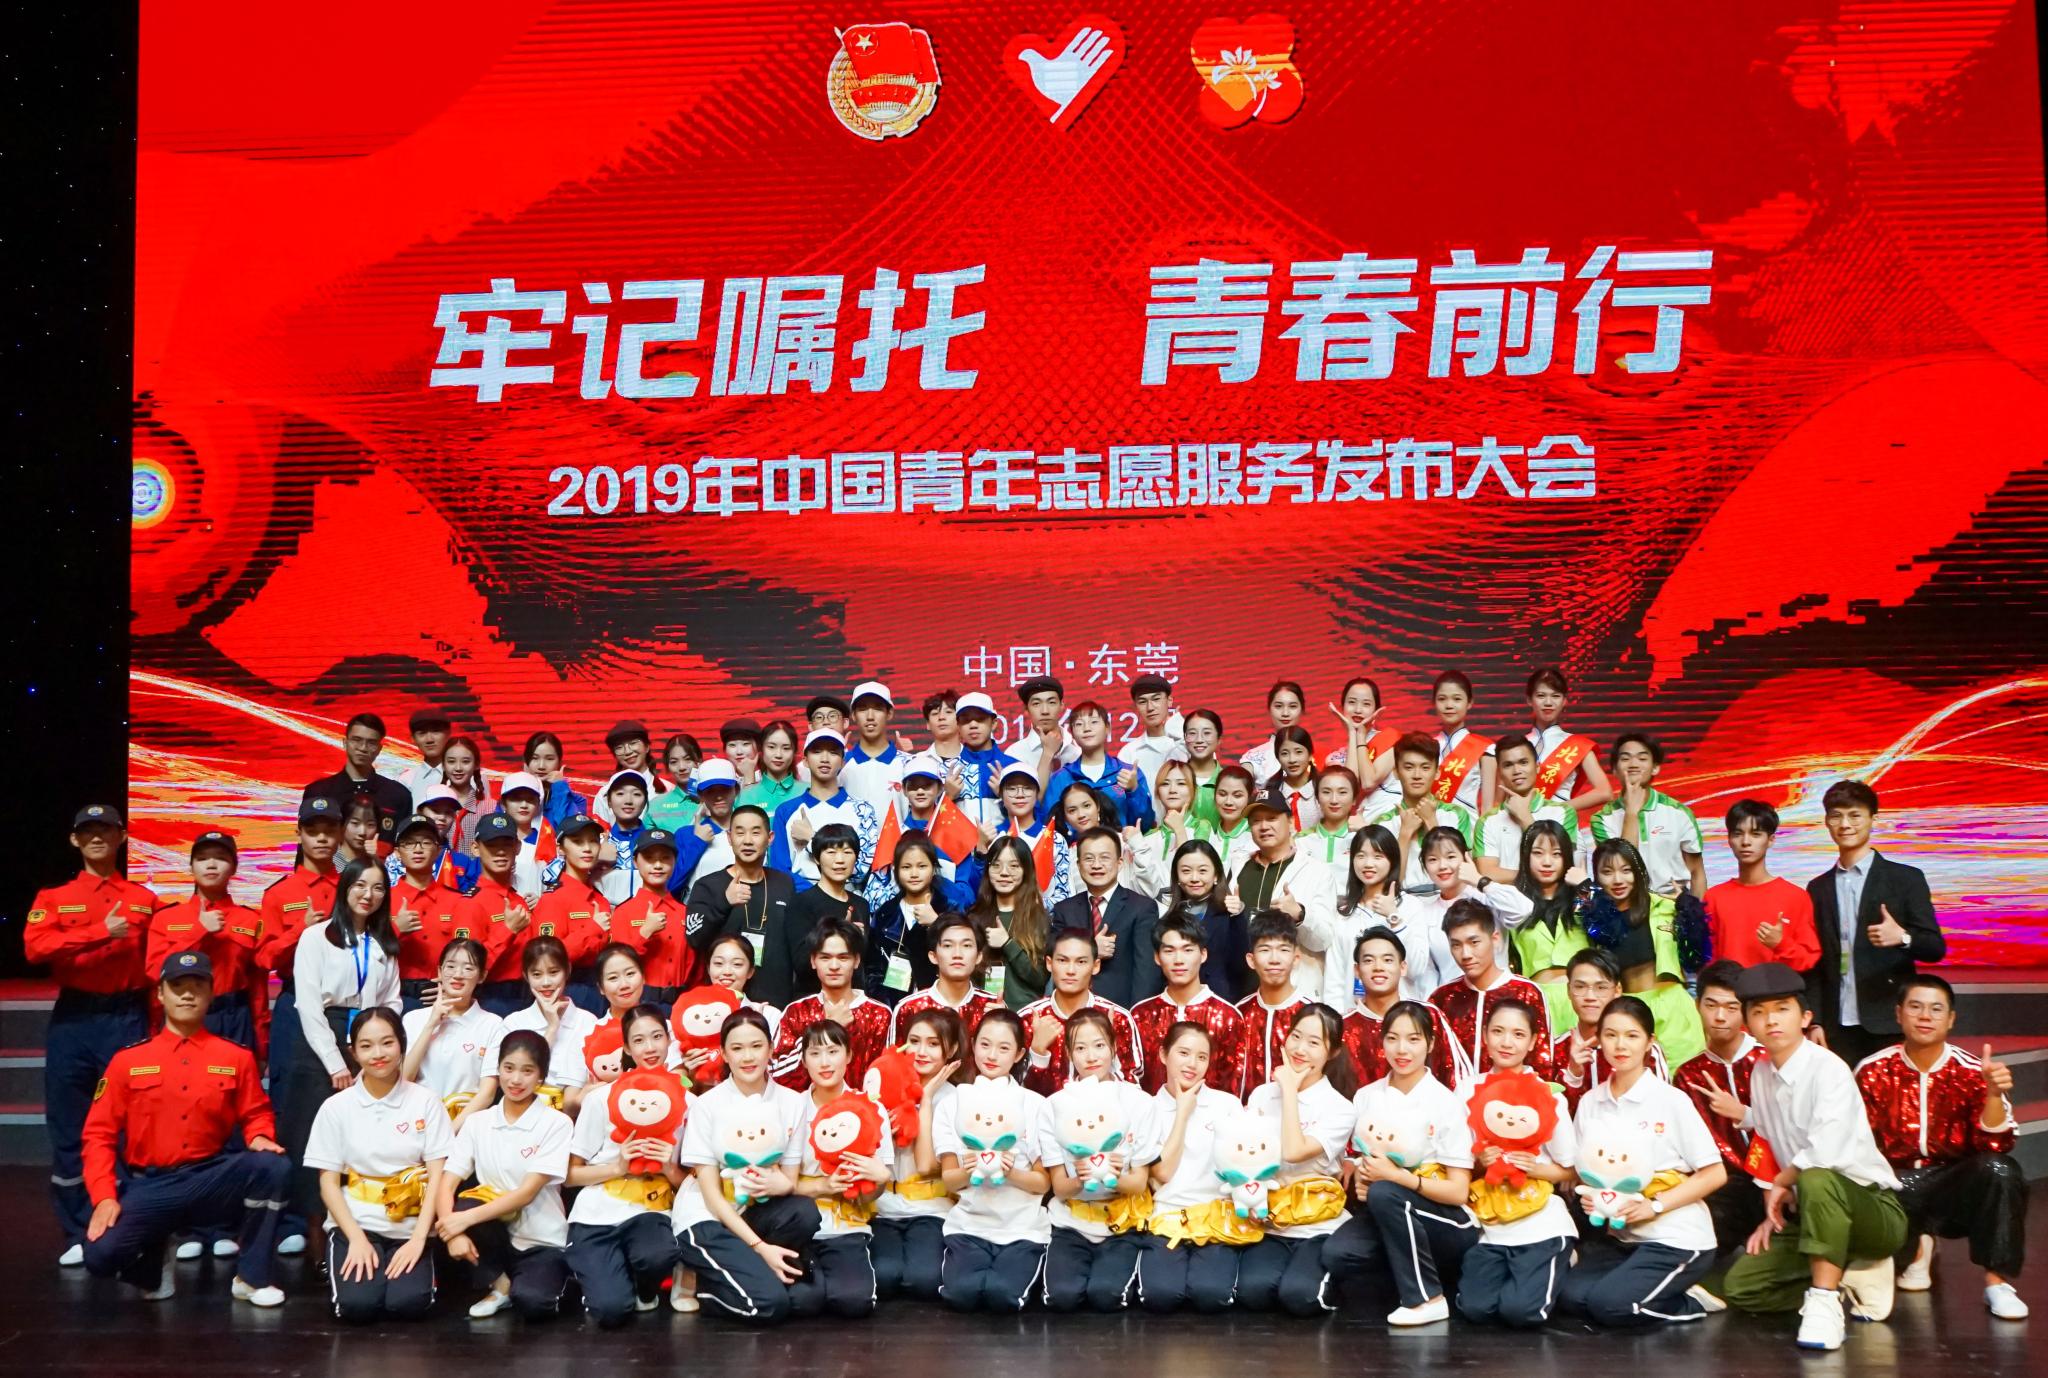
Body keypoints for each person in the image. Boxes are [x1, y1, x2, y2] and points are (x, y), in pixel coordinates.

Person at [79, 951, 290, 1306]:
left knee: (274, 1167)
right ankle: (152, 1265)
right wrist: (104, 1197)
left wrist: (259, 1136)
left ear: (211, 993)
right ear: (160, 994)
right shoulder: (128, 1061)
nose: (188, 994)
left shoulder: (235, 1058)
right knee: (100, 1255)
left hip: (210, 1179)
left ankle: (251, 1278)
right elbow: (98, 1134)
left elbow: (256, 1112)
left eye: (197, 986)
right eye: (178, 986)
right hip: (151, 1185)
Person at [1717, 962, 1910, 1352]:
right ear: (1748, 1025)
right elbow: (1769, 1139)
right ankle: (1848, 1277)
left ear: (1805, 1018)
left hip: (1872, 1208)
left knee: (1817, 1177)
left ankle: (1824, 1301)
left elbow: (1823, 1154)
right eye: (1759, 1012)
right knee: (1743, 1288)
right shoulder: (1761, 1074)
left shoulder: (1829, 1070)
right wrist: (1772, 1209)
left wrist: (1783, 1181)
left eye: (1782, 1009)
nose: (1771, 1020)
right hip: (1812, 1210)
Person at [25, 803, 155, 1264]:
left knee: (133, 1124)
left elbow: (157, 961)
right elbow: (35, 948)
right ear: (74, 840)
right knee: (70, 1123)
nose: (97, 837)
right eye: (88, 831)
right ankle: (80, 1229)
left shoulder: (144, 899)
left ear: (122, 838)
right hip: (75, 1019)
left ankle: (132, 1223)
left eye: (106, 830)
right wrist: (100, 931)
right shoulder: (54, 897)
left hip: (128, 1016)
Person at [1855, 974, 2027, 1319]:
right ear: (1898, 1014)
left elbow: (1996, 1144)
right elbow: (1856, 1143)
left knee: (2000, 1170)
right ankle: (1917, 1248)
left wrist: (1994, 1095)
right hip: (1894, 1185)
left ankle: (1997, 1284)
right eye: (1915, 1007)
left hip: (1952, 1186)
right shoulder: (1872, 1070)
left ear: (1951, 1019)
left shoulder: (1973, 1071)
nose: (1925, 1016)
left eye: (1936, 1009)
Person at [1558, 996, 1729, 1328]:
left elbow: (1714, 1173)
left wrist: (1655, 1206)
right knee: (1570, 1298)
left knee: (1611, 1308)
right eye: (1611, 1035)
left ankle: (1689, 1301)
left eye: (1632, 1035)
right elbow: (1587, 1173)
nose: (1620, 1045)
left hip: (1675, 1238)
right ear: (1599, 1040)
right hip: (1624, 1239)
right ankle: (1656, 1289)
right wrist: (1593, 1199)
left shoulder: (1670, 1101)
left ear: (1650, 1042)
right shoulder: (1592, 1102)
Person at [1321, 1000, 1478, 1326]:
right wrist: (1363, 1177)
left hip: (1446, 1220)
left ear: (1430, 1044)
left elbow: (1458, 1192)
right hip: (1388, 1211)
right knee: (1338, 1253)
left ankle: (1427, 1298)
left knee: (1386, 1194)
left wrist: (1396, 1179)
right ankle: (1414, 1278)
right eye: (1392, 1038)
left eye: (1413, 1039)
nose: (1402, 1049)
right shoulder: (1367, 1096)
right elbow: (1363, 1162)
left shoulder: (1445, 1102)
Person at [304, 1008, 453, 1322]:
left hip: (410, 1226)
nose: (378, 1054)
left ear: (401, 1044)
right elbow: (328, 1184)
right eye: (366, 1046)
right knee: (358, 1307)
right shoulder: (336, 1107)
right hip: (357, 1223)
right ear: (353, 1052)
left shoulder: (426, 1102)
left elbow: (438, 1177)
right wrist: (356, 1238)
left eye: (387, 1042)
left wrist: (419, 1239)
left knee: (408, 1304)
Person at [281, 860, 403, 1241]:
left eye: (378, 887)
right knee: (312, 1135)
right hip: (322, 1039)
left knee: (361, 1134)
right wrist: (336, 1062)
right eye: (360, 885)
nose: (369, 895)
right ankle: (312, 1235)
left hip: (368, 1036)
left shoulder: (383, 943)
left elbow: (393, 1000)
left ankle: (354, 1228)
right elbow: (308, 1005)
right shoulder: (315, 937)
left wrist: (378, 1047)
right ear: (345, 887)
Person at [435, 1029, 575, 1320]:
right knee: (464, 1203)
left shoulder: (556, 1123)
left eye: (527, 1071)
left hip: (540, 1240)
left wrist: (463, 1221)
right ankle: (500, 1285)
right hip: (494, 1235)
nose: (515, 1080)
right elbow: (447, 1182)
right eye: (508, 1068)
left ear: (541, 1076)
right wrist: (452, 1232)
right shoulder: (477, 1122)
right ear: (497, 1069)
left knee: (533, 1303)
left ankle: (532, 1284)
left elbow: (526, 1193)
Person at [1453, 1005, 1577, 1329]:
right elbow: (1455, 1164)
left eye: (1518, 1034)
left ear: (1533, 1041)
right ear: (1485, 1035)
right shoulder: (1466, 1090)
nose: (1506, 1042)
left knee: (1521, 1313)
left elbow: (1571, 1169)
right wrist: (1480, 1163)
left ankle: (1560, 1257)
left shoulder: (1548, 1094)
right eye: (1498, 1031)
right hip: (1490, 1221)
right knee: (1475, 1309)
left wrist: (1533, 1168)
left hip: (1540, 1221)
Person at [1806, 779, 1946, 1065]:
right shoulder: (1818, 887)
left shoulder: (1905, 879)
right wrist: (1816, 1020)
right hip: (1835, 1025)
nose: (1845, 824)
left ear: (1873, 819)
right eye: (1836, 816)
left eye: (1855, 815)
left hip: (1888, 1021)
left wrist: (1903, 937)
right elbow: (1817, 961)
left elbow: (1935, 948)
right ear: (1827, 822)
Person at [564, 1005, 688, 1325]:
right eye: (639, 1040)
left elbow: (694, 1182)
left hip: (652, 1208)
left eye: (657, 1037)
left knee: (656, 1254)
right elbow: (570, 1175)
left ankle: (645, 1287)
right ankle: (603, 1279)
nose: (650, 1048)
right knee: (611, 1310)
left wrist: (668, 1169)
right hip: (596, 1210)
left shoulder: (689, 1102)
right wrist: (618, 1167)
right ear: (627, 1048)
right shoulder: (600, 1099)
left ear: (669, 1040)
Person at [1038, 1008, 1161, 1311]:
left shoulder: (1139, 1103)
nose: (1091, 1056)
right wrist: (1082, 1176)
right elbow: (1059, 1187)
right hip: (1071, 1220)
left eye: (1099, 1045)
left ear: (1114, 1047)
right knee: (1062, 1297)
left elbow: (1138, 1184)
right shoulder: (1054, 1106)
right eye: (1080, 1048)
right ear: (1069, 1054)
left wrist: (1110, 1174)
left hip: (1121, 1222)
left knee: (1106, 1296)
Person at [1238, 1005, 1357, 1315]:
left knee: (1300, 1297)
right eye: (1296, 1036)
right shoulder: (1262, 1095)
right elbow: (1245, 1158)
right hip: (1270, 1224)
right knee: (1253, 1294)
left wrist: (1289, 1090)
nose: (1300, 1049)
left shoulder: (1340, 1108)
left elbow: (1293, 1151)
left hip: (1317, 1227)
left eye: (1314, 1042)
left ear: (1333, 1052)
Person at [936, 1008, 1053, 1311]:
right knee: (961, 1296)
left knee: (1003, 1297)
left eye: (1003, 1048)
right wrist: (972, 1168)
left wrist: (1009, 1170)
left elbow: (1042, 1183)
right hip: (969, 1226)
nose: (991, 1055)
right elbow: (950, 1180)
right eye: (985, 1044)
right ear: (973, 1044)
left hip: (1022, 1229)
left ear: (1019, 1054)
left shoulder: (1035, 1105)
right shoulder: (951, 1104)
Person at [1137, 1021, 1251, 1311]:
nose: (1192, 1064)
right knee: (1160, 1297)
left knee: (1210, 1296)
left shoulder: (1227, 1105)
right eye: (1184, 1053)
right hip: (1166, 1220)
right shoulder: (1147, 1107)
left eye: (1202, 1057)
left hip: (1216, 1219)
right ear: (1163, 1054)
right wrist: (1182, 1113)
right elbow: (1163, 1173)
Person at [787, 1020, 893, 1317]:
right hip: (799, 1224)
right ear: (803, 1060)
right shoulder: (792, 1108)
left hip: (847, 1223)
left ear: (849, 1056)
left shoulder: (871, 1109)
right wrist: (823, 1186)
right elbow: (781, 1182)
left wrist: (880, 1180)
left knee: (853, 1302)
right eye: (815, 1053)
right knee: (802, 1303)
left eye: (833, 1051)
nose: (824, 1062)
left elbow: (872, 1192)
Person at [1583, 837, 1709, 1066]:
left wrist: (1690, 912)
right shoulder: (1596, 922)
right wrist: (1583, 888)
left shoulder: (1666, 907)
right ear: (1597, 878)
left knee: (1686, 1078)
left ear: (1638, 871)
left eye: (1626, 870)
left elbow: (1696, 958)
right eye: (1607, 872)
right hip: (1628, 1012)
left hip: (1672, 1006)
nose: (1618, 880)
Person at [1674, 959, 1768, 1250]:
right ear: (1697, 1005)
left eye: (1731, 1007)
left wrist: (1745, 1115)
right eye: (1711, 1005)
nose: (1719, 1016)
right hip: (1723, 1185)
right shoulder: (1688, 1074)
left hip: (1778, 1178)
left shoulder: (1767, 1060)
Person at [872, 1007, 964, 1300]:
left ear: (951, 1050)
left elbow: (929, 1166)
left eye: (933, 1044)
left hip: (931, 1208)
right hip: (884, 1207)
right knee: (884, 1278)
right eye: (914, 1041)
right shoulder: (883, 1087)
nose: (921, 1051)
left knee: (923, 1281)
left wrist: (925, 1101)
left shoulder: (957, 1099)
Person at [145, 830, 263, 1054]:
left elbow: (258, 988)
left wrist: (262, 1043)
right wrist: (199, 931)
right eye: (201, 859)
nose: (211, 865)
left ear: (234, 868)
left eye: (221, 858)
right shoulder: (166, 917)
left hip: (234, 1018)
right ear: (191, 867)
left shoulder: (250, 919)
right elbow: (154, 971)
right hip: (181, 1015)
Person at [1394, 826, 1533, 1002]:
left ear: (1466, 857)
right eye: (1433, 859)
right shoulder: (1425, 914)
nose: (1442, 866)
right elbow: (1428, 974)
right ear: (1425, 867)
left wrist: (1479, 880)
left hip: (1500, 999)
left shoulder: (1487, 896)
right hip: (1453, 1004)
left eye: (1451, 857)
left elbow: (1523, 909)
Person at [683, 804, 798, 1001]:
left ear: (770, 838)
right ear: (729, 838)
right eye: (740, 832)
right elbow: (694, 938)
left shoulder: (784, 883)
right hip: (723, 999)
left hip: (776, 997)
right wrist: (724, 902)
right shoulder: (708, 885)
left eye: (756, 832)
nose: (747, 841)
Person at [1430, 899, 1553, 1079]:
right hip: (1456, 1096)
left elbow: (1542, 1063)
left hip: (1514, 1095)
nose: (1465, 954)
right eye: (1456, 945)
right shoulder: (1442, 998)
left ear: (1495, 939)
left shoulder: (1527, 992)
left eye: (1474, 942)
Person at [1230, 799, 1339, 1001]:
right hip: (1241, 987)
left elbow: (1324, 940)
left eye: (1271, 818)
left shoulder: (1316, 871)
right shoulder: (1239, 865)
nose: (1263, 826)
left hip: (1294, 989)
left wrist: (1300, 915)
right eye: (1256, 821)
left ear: (1290, 822)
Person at [769, 919, 892, 1092]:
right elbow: (775, 1075)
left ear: (856, 961)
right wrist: (828, 1027)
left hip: (862, 1107)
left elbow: (888, 1075)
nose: (834, 966)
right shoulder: (796, 1011)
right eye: (825, 958)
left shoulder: (880, 1014)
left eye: (843, 957)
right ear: (813, 961)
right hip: (806, 1107)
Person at [1019, 929, 1145, 1094]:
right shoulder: (1028, 1018)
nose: (1071, 970)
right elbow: (1015, 1090)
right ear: (1049, 963)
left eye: (1081, 962)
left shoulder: (1117, 1017)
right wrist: (1038, 1051)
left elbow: (1132, 1087)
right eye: (1062, 960)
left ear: (1095, 966)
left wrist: (1108, 1050)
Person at [1131, 917, 1246, 1093]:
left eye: (1188, 950)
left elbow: (1234, 1087)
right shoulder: (1140, 1015)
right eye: (1169, 951)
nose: (1178, 960)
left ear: (1203, 955)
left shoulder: (1228, 1016)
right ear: (1157, 957)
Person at [1051, 827, 1162, 1008]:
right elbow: (1054, 960)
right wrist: (1092, 949)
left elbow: (1146, 972)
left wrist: (1135, 1015)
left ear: (1119, 863)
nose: (1096, 865)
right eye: (1089, 858)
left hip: (1120, 1010)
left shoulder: (1141, 908)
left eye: (1104, 857)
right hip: (1072, 1010)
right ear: (1078, 865)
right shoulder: (1064, 909)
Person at [402, 937, 506, 1128]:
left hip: (466, 1126)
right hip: (419, 1121)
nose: (458, 975)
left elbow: (487, 1093)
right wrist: (431, 1025)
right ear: (439, 971)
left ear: (482, 976)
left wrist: (451, 1131)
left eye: (468, 968)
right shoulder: (413, 1019)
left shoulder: (493, 1024)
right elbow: (404, 1079)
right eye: (450, 967)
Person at [1339, 927, 1464, 1087]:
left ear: (1403, 967)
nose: (1378, 967)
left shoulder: (1428, 1015)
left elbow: (1457, 1080)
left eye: (1387, 960)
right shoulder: (1342, 1027)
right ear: (1357, 970)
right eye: (1369, 960)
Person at [1706, 799, 1821, 972]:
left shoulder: (1796, 897)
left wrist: (1781, 944)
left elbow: (1808, 959)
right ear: (1729, 839)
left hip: (1776, 988)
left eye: (1755, 834)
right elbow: (1707, 962)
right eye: (1737, 834)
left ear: (1771, 840)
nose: (1746, 841)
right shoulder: (1714, 897)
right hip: (1728, 988)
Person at [1588, 733, 1706, 899]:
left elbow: (1697, 873)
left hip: (1673, 904)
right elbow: (1622, 865)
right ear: (1614, 769)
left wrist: (1695, 911)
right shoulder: (1602, 819)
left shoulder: (1678, 812)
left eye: (1642, 759)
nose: (1633, 764)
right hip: (1626, 904)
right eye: (1625, 758)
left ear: (1655, 767)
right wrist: (1631, 813)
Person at [1552, 948, 1668, 1111]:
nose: (1590, 997)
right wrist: (1573, 1074)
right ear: (1568, 991)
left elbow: (1662, 1109)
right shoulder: (1555, 1050)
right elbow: (1551, 1116)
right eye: (1580, 987)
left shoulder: (1644, 1050)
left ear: (1617, 990)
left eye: (1601, 987)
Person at [1359, 732, 1478, 889]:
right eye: (1409, 768)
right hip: (1401, 899)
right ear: (1396, 772)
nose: (1417, 775)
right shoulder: (1383, 823)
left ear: (1437, 773)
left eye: (1425, 768)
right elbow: (1387, 885)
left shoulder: (1456, 814)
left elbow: (1463, 873)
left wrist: (1431, 821)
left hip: (1448, 899)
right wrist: (1405, 834)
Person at [766, 728, 882, 888]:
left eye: (833, 752)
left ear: (843, 762)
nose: (825, 759)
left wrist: (812, 839)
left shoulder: (863, 810)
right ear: (805, 760)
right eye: (817, 751)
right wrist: (816, 895)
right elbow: (780, 871)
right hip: (800, 897)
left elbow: (862, 870)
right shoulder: (786, 810)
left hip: (847, 896)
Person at [496, 937, 600, 1107]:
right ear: (526, 976)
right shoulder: (513, 1023)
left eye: (553, 972)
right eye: (536, 974)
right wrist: (552, 1028)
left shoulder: (588, 1022)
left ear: (567, 970)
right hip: (524, 1109)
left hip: (575, 1110)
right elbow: (514, 1077)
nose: (546, 983)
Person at [1505, 819, 1587, 1032]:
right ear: (1525, 857)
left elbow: (1611, 926)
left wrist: (1587, 886)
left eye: (1556, 854)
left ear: (1567, 857)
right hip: (1536, 1001)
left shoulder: (1582, 900)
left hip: (1585, 999)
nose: (1547, 862)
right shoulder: (1514, 905)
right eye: (1538, 853)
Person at [874, 833, 976, 1001]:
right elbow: (874, 971)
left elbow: (964, 958)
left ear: (933, 868)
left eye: (922, 866)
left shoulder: (951, 908)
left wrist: (937, 923)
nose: (914, 874)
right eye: (906, 867)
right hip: (896, 1005)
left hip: (942, 1004)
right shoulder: (885, 914)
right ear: (896, 870)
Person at [532, 811, 613, 1014]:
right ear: (561, 848)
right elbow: (547, 957)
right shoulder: (553, 898)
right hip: (570, 988)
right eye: (577, 842)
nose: (587, 848)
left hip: (602, 986)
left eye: (593, 841)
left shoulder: (599, 897)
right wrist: (592, 929)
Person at [779, 823, 872, 998]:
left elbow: (863, 963)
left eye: (847, 852)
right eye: (831, 852)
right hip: (814, 1001)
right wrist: (842, 933)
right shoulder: (802, 902)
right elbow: (801, 964)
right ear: (816, 858)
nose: (840, 860)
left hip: (853, 999)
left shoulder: (861, 905)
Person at [387, 812, 469, 1009]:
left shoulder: (458, 901)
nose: (418, 849)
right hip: (394, 996)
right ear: (397, 852)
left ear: (438, 850)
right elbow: (368, 952)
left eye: (426, 842)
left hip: (445, 996)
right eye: (409, 843)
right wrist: (395, 929)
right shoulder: (383, 900)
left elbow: (468, 953)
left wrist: (450, 984)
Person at [1475, 733, 1583, 883]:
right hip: (1504, 898)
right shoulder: (1487, 820)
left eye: (1523, 762)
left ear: (1537, 767)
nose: (1517, 770)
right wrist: (1537, 876)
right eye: (1508, 765)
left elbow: (1562, 867)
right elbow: (1488, 873)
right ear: (1499, 773)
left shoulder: (1563, 812)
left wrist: (1525, 817)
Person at [965, 834, 1053, 1009]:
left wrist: (1007, 944)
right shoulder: (974, 916)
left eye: (1014, 866)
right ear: (987, 870)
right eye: (996, 865)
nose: (1004, 872)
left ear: (1026, 870)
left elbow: (1040, 978)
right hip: (984, 1012)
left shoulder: (1038, 917)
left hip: (1024, 1014)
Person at [302, 712, 413, 848]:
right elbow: (305, 846)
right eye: (357, 740)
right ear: (345, 743)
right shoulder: (318, 792)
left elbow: (404, 849)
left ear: (379, 749)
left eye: (371, 743)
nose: (363, 748)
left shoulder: (398, 795)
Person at [1157, 836, 1248, 998]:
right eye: (1186, 871)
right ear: (1177, 877)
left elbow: (1242, 965)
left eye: (1203, 871)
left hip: (1219, 1001)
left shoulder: (1230, 913)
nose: (1194, 878)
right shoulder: (1167, 916)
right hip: (1176, 1000)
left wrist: (1238, 916)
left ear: (1216, 875)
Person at [1510, 667, 1612, 813]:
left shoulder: (1578, 745)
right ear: (1529, 700)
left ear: (1564, 701)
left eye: (1556, 696)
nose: (1548, 702)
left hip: (1559, 821)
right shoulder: (1515, 746)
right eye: (1541, 696)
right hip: (1521, 820)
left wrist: (1557, 809)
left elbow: (1604, 792)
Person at [608, 827, 692, 1003]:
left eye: (665, 858)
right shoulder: (623, 912)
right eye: (649, 858)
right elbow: (617, 965)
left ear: (675, 861)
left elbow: (694, 966)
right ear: (635, 862)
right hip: (640, 1002)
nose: (658, 865)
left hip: (681, 1002)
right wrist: (644, 932)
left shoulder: (684, 912)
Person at [1044, 700, 1156, 831]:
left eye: (1094, 722)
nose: (1087, 728)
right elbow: (1051, 827)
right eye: (1079, 724)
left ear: (1107, 728)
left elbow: (1145, 824)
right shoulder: (1060, 778)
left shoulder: (1128, 773)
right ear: (1072, 733)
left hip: (1123, 843)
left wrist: (1134, 790)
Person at [890, 914, 1001, 1044]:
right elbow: (893, 1056)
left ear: (978, 956)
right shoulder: (909, 1008)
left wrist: (1003, 1021)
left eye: (966, 945)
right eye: (948, 946)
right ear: (933, 956)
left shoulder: (993, 1006)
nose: (957, 954)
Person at [1236, 911, 1310, 1097]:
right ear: (1251, 960)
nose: (1274, 959)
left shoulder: (1311, 1014)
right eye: (1265, 950)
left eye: (1283, 950)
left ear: (1296, 958)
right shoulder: (1238, 1014)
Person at [1325, 675, 1398, 805]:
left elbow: (1368, 783)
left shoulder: (1390, 737)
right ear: (1342, 707)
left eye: (1366, 704)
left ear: (1376, 710)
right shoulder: (1334, 758)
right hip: (1356, 817)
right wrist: (1353, 734)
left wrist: (1360, 736)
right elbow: (1350, 790)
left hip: (1388, 814)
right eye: (1352, 702)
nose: (1358, 710)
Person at [948, 692, 1016, 830]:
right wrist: (948, 797)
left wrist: (1005, 796)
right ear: (958, 726)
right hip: (961, 844)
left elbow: (1032, 818)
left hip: (1004, 843)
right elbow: (931, 826)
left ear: (994, 723)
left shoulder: (1013, 767)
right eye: (966, 720)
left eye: (980, 719)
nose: (973, 725)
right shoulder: (947, 770)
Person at [1430, 670, 1494, 811]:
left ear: (1469, 703)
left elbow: (1488, 807)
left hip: (1467, 824)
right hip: (1430, 823)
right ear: (1434, 702)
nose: (1449, 705)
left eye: (1457, 699)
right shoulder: (1425, 747)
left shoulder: (1485, 749)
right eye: (1442, 699)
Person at [840, 679, 906, 810]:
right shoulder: (840, 764)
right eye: (862, 709)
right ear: (853, 715)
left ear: (889, 713)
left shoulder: (908, 763)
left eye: (878, 708)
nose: (870, 716)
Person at [493, 772, 560, 901]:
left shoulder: (547, 842)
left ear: (538, 804)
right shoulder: (491, 841)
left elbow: (558, 886)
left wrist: (542, 901)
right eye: (516, 799)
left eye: (530, 799)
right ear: (503, 803)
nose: (524, 805)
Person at [591, 770, 654, 904]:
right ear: (609, 801)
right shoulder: (594, 843)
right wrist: (594, 858)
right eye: (620, 793)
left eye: (636, 794)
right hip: (606, 914)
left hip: (649, 912)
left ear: (645, 802)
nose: (628, 801)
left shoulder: (656, 844)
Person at [1009, 674, 1080, 787]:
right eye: (1036, 704)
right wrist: (1048, 754)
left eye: (1051, 702)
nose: (1045, 711)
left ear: (1062, 705)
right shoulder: (1015, 754)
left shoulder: (1079, 750)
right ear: (1026, 710)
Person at [1189, 764, 1257, 876]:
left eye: (1237, 795)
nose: (1228, 802)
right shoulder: (1207, 835)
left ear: (1249, 798)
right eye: (1222, 794)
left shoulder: (1256, 836)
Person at [1239, 679, 1307, 790]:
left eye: (1292, 706)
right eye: (1278, 706)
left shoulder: (1320, 755)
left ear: (1302, 710)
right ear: (1269, 709)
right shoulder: (1253, 758)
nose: (1285, 713)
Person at [1125, 672, 1188, 791]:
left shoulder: (1191, 743)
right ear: (1135, 706)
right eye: (1142, 702)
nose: (1150, 707)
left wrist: (1181, 733)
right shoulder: (1128, 752)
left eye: (1156, 699)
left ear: (1169, 700)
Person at [522, 731, 590, 830]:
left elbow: (568, 830)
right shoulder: (511, 797)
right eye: (534, 758)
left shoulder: (577, 801)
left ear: (559, 763)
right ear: (526, 762)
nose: (541, 766)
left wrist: (559, 786)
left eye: (549, 759)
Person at [437, 736, 495, 852]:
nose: (458, 768)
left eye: (465, 762)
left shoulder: (490, 807)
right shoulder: (433, 805)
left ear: (476, 765)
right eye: (451, 761)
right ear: (443, 765)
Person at [1302, 765, 1363, 868]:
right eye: (1326, 792)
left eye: (1342, 792)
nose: (1334, 800)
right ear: (1317, 797)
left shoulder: (1364, 837)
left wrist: (1368, 832)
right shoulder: (1301, 841)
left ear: (1354, 799)